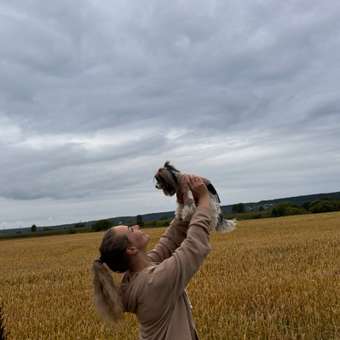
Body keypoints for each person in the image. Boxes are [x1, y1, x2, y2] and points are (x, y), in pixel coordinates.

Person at [92, 175, 212, 340]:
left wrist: (184, 203)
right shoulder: (154, 282)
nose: (136, 226)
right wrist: (205, 199)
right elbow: (194, 246)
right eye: (131, 230)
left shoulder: (137, 274)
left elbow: (170, 241)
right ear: (132, 249)